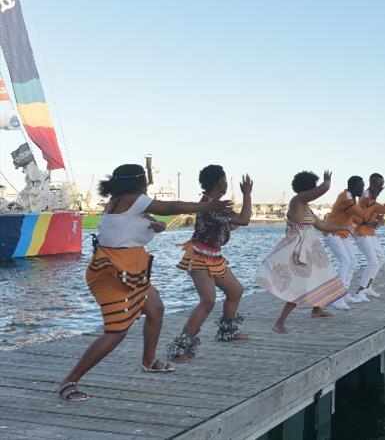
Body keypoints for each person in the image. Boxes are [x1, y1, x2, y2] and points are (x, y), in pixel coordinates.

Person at [58, 164, 232, 401]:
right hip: (114, 273)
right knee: (116, 331)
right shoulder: (131, 198)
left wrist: (156, 226)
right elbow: (172, 207)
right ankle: (70, 381)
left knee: (156, 309)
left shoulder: (122, 200)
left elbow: (142, 220)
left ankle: (148, 361)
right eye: (146, 180)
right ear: (139, 182)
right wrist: (207, 205)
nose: (148, 185)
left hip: (131, 270)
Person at [169, 166, 253, 362]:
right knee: (208, 300)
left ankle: (227, 331)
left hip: (213, 256)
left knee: (235, 291)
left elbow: (233, 224)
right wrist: (247, 194)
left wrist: (230, 225)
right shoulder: (211, 205)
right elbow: (245, 220)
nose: (226, 183)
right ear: (219, 182)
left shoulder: (215, 205)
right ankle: (180, 349)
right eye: (224, 180)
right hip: (198, 256)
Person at [256, 171, 352, 334]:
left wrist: (345, 227)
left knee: (322, 276)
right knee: (300, 285)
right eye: (312, 188)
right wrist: (327, 183)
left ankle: (317, 309)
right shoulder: (297, 201)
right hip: (296, 250)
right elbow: (321, 190)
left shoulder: (307, 208)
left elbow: (323, 226)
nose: (314, 191)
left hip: (309, 249)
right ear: (307, 188)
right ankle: (279, 322)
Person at [352, 173, 385, 299]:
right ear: (373, 183)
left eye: (382, 183)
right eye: (380, 184)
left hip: (369, 232)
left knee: (381, 258)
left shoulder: (371, 197)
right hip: (361, 232)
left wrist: (377, 218)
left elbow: (376, 211)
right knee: (373, 261)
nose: (382, 186)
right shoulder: (366, 196)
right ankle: (360, 291)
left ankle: (368, 287)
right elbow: (381, 209)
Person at [324, 175, 371, 306]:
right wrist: (366, 200)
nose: (363, 188)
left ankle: (343, 293)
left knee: (353, 262)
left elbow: (356, 218)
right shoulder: (346, 198)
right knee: (345, 261)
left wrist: (368, 222)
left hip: (342, 234)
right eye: (361, 186)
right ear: (354, 186)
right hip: (332, 232)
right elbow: (361, 214)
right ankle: (336, 297)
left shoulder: (351, 198)